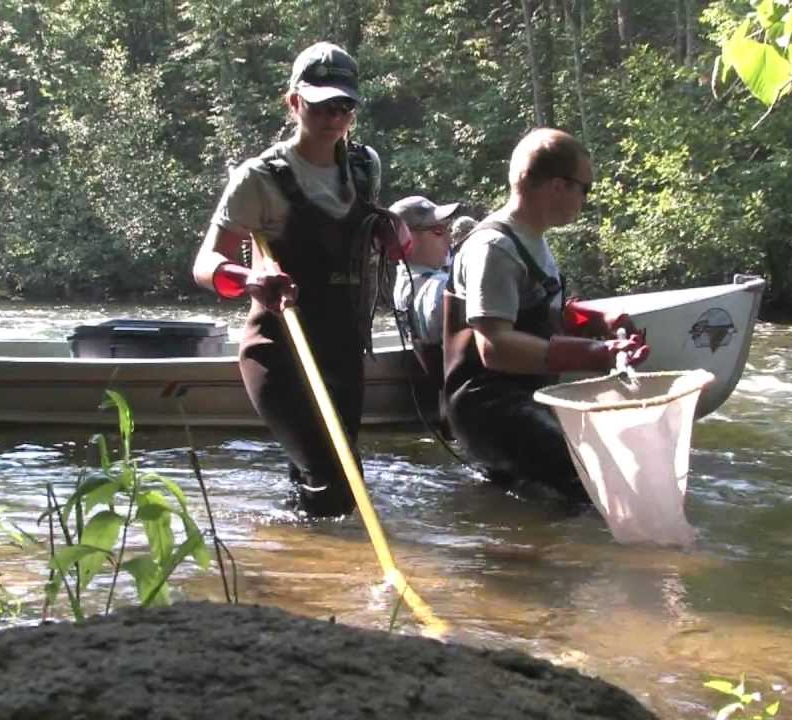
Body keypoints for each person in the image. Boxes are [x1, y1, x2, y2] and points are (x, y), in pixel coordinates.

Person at [192, 42, 407, 518]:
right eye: (321, 104)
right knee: (332, 484)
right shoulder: (259, 178)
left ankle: (304, 573)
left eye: (344, 106)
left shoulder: (364, 165)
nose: (334, 116)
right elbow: (206, 262)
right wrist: (248, 278)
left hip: (345, 351)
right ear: (293, 102)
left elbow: (372, 231)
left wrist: (392, 231)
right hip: (280, 352)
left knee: (333, 489)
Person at [442, 128, 649, 499]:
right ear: (557, 186)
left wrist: (600, 322)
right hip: (490, 410)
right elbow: (495, 346)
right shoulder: (496, 248)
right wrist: (596, 355)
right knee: (591, 484)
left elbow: (534, 312)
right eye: (585, 188)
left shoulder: (530, 239)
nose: (586, 198)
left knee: (541, 505)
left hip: (520, 403)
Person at [390, 195, 460, 347]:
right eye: (438, 231)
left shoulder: (406, 281)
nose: (449, 240)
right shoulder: (440, 288)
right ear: (405, 238)